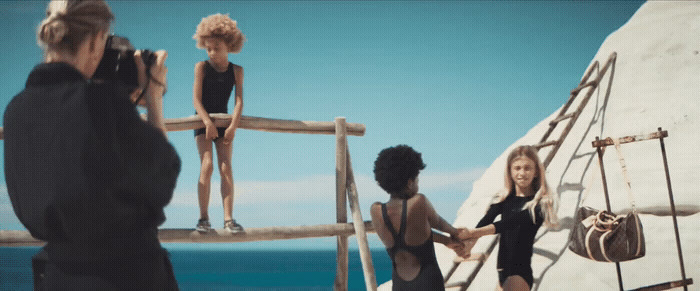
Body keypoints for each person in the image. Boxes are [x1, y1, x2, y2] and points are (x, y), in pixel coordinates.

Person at [3, 0, 180, 289]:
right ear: (97, 39)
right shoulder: (101, 103)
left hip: (57, 276)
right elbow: (162, 178)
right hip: (127, 275)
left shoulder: (15, 111)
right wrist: (154, 97)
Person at [459, 145, 559, 291]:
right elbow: (484, 222)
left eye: (527, 168)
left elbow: (506, 224)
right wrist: (468, 244)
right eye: (517, 168)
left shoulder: (539, 205)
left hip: (519, 274)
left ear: (536, 172)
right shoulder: (504, 200)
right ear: (510, 172)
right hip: (502, 272)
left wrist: (472, 233)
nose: (522, 173)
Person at [370, 145, 469, 291]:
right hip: (428, 281)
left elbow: (418, 233)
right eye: (417, 179)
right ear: (410, 182)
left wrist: (447, 241)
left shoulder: (376, 210)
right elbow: (440, 224)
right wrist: (455, 234)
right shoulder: (418, 202)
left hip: (399, 285)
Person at [192, 13, 245, 233]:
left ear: (229, 46)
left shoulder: (237, 70)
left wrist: (232, 125)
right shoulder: (201, 67)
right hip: (202, 120)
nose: (212, 53)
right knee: (207, 165)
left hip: (226, 123)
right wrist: (207, 123)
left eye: (217, 48)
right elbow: (196, 99)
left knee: (226, 168)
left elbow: (239, 101)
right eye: (209, 48)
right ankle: (203, 219)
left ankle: (229, 220)